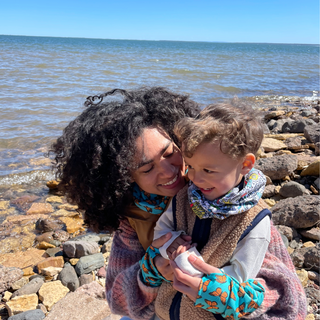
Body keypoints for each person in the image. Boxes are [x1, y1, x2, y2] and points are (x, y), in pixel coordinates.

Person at [51, 89, 306, 320]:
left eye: (170, 152)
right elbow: (117, 301)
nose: (169, 171)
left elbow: (289, 296)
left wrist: (234, 296)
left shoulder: (234, 199)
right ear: (123, 176)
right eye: (147, 168)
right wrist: (149, 273)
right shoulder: (133, 217)